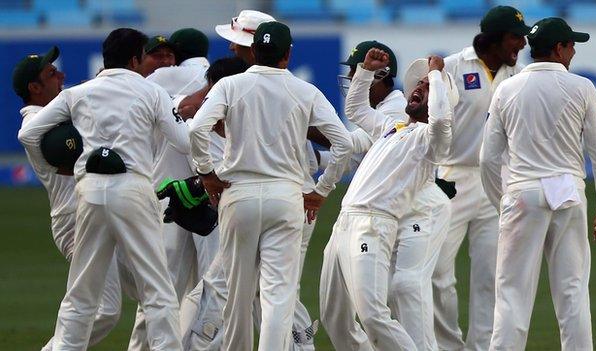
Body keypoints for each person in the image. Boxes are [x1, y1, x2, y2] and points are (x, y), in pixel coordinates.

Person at [18, 28, 189, 351]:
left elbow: (28, 135)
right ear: (135, 58)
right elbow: (183, 142)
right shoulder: (151, 92)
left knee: (82, 292)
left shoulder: (79, 92)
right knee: (157, 289)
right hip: (133, 188)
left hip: (91, 191)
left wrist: (56, 165)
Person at [190, 21, 352, 351]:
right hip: (287, 196)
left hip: (239, 194)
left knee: (237, 294)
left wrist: (207, 173)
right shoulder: (305, 90)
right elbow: (344, 144)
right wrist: (321, 191)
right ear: (288, 53)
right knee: (278, 295)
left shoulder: (230, 86)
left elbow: (197, 130)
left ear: (254, 50)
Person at [480, 17, 596, 350]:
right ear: (558, 48)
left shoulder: (506, 89)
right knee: (572, 292)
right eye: (571, 45)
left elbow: (487, 158)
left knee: (511, 293)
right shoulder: (582, 87)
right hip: (568, 192)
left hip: (521, 193)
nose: (573, 52)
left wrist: (503, 200)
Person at [319, 47, 455, 350]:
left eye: (428, 88)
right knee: (334, 317)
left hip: (373, 224)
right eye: (419, 84)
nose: (419, 87)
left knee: (372, 316)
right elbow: (355, 110)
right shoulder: (391, 127)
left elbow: (442, 122)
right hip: (344, 222)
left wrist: (436, 74)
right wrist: (365, 71)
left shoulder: (431, 142)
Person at [13, 47, 126, 351]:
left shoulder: (53, 114)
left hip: (96, 213)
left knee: (150, 290)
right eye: (51, 74)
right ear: (34, 88)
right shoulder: (37, 125)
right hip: (76, 220)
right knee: (103, 309)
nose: (61, 75)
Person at [432, 6, 531, 350]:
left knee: (491, 276)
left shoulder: (520, 74)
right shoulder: (452, 67)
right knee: (437, 274)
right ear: (494, 38)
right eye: (515, 37)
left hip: (497, 182)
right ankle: (448, 345)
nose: (521, 43)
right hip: (451, 179)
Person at [127, 27, 213, 351]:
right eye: (157, 55)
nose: (164, 62)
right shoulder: (219, 78)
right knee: (202, 288)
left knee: (162, 291)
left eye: (169, 56)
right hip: (196, 194)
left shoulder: (153, 82)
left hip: (170, 196)